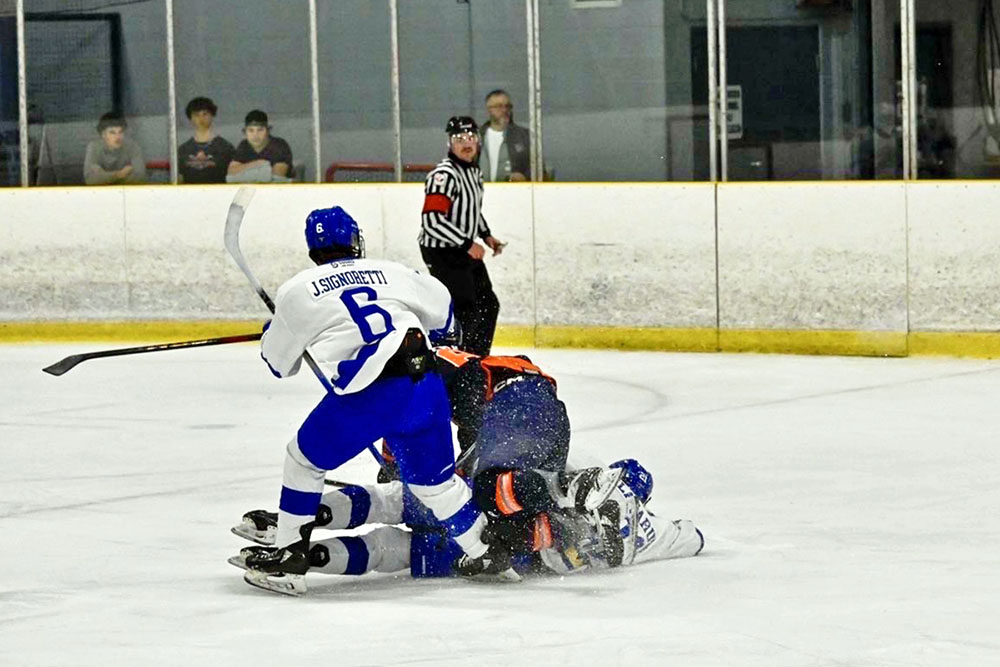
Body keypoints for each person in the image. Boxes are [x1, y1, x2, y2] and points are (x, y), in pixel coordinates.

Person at [242, 205, 510, 596]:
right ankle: (485, 552)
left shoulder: (297, 291)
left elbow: (280, 365)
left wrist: (274, 332)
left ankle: (288, 559)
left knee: (303, 460)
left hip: (371, 394)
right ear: (355, 240)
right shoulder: (396, 272)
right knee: (434, 485)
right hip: (427, 386)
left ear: (313, 251)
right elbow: (446, 322)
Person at [229, 460, 704, 581]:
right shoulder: (651, 536)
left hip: (479, 518)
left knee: (389, 500)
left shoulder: (590, 479)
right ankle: (308, 559)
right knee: (389, 551)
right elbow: (692, 539)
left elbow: (533, 486)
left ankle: (292, 523)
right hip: (495, 555)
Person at [419, 116, 504, 357]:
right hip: (443, 251)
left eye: (471, 138)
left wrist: (486, 235)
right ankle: (457, 361)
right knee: (465, 308)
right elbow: (432, 221)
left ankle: (477, 359)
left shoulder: (474, 173)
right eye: (459, 139)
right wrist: (467, 243)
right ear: (450, 143)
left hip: (463, 248)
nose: (467, 144)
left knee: (488, 304)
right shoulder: (444, 175)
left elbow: (471, 211)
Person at [177, 96, 234, 184]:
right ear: (190, 118)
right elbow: (179, 179)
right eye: (196, 114)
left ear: (212, 116)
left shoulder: (225, 147)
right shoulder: (183, 150)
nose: (201, 118)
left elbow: (233, 177)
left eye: (205, 114)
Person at [478, 89, 531, 182]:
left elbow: (538, 167)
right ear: (489, 109)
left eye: (508, 106)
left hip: (513, 192)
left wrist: (524, 177)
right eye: (499, 106)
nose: (504, 110)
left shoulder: (524, 136)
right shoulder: (477, 137)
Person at [227, 109, 293, 183]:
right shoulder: (244, 145)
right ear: (245, 132)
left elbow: (276, 178)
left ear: (268, 131)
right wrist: (258, 164)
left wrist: (245, 171)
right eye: (251, 130)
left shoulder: (279, 145)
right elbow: (231, 172)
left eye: (260, 130)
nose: (255, 135)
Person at [83, 112, 146, 185]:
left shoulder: (132, 147)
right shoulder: (94, 147)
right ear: (103, 134)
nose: (118, 137)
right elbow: (91, 180)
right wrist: (118, 174)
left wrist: (104, 176)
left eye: (120, 132)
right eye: (112, 133)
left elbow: (140, 177)